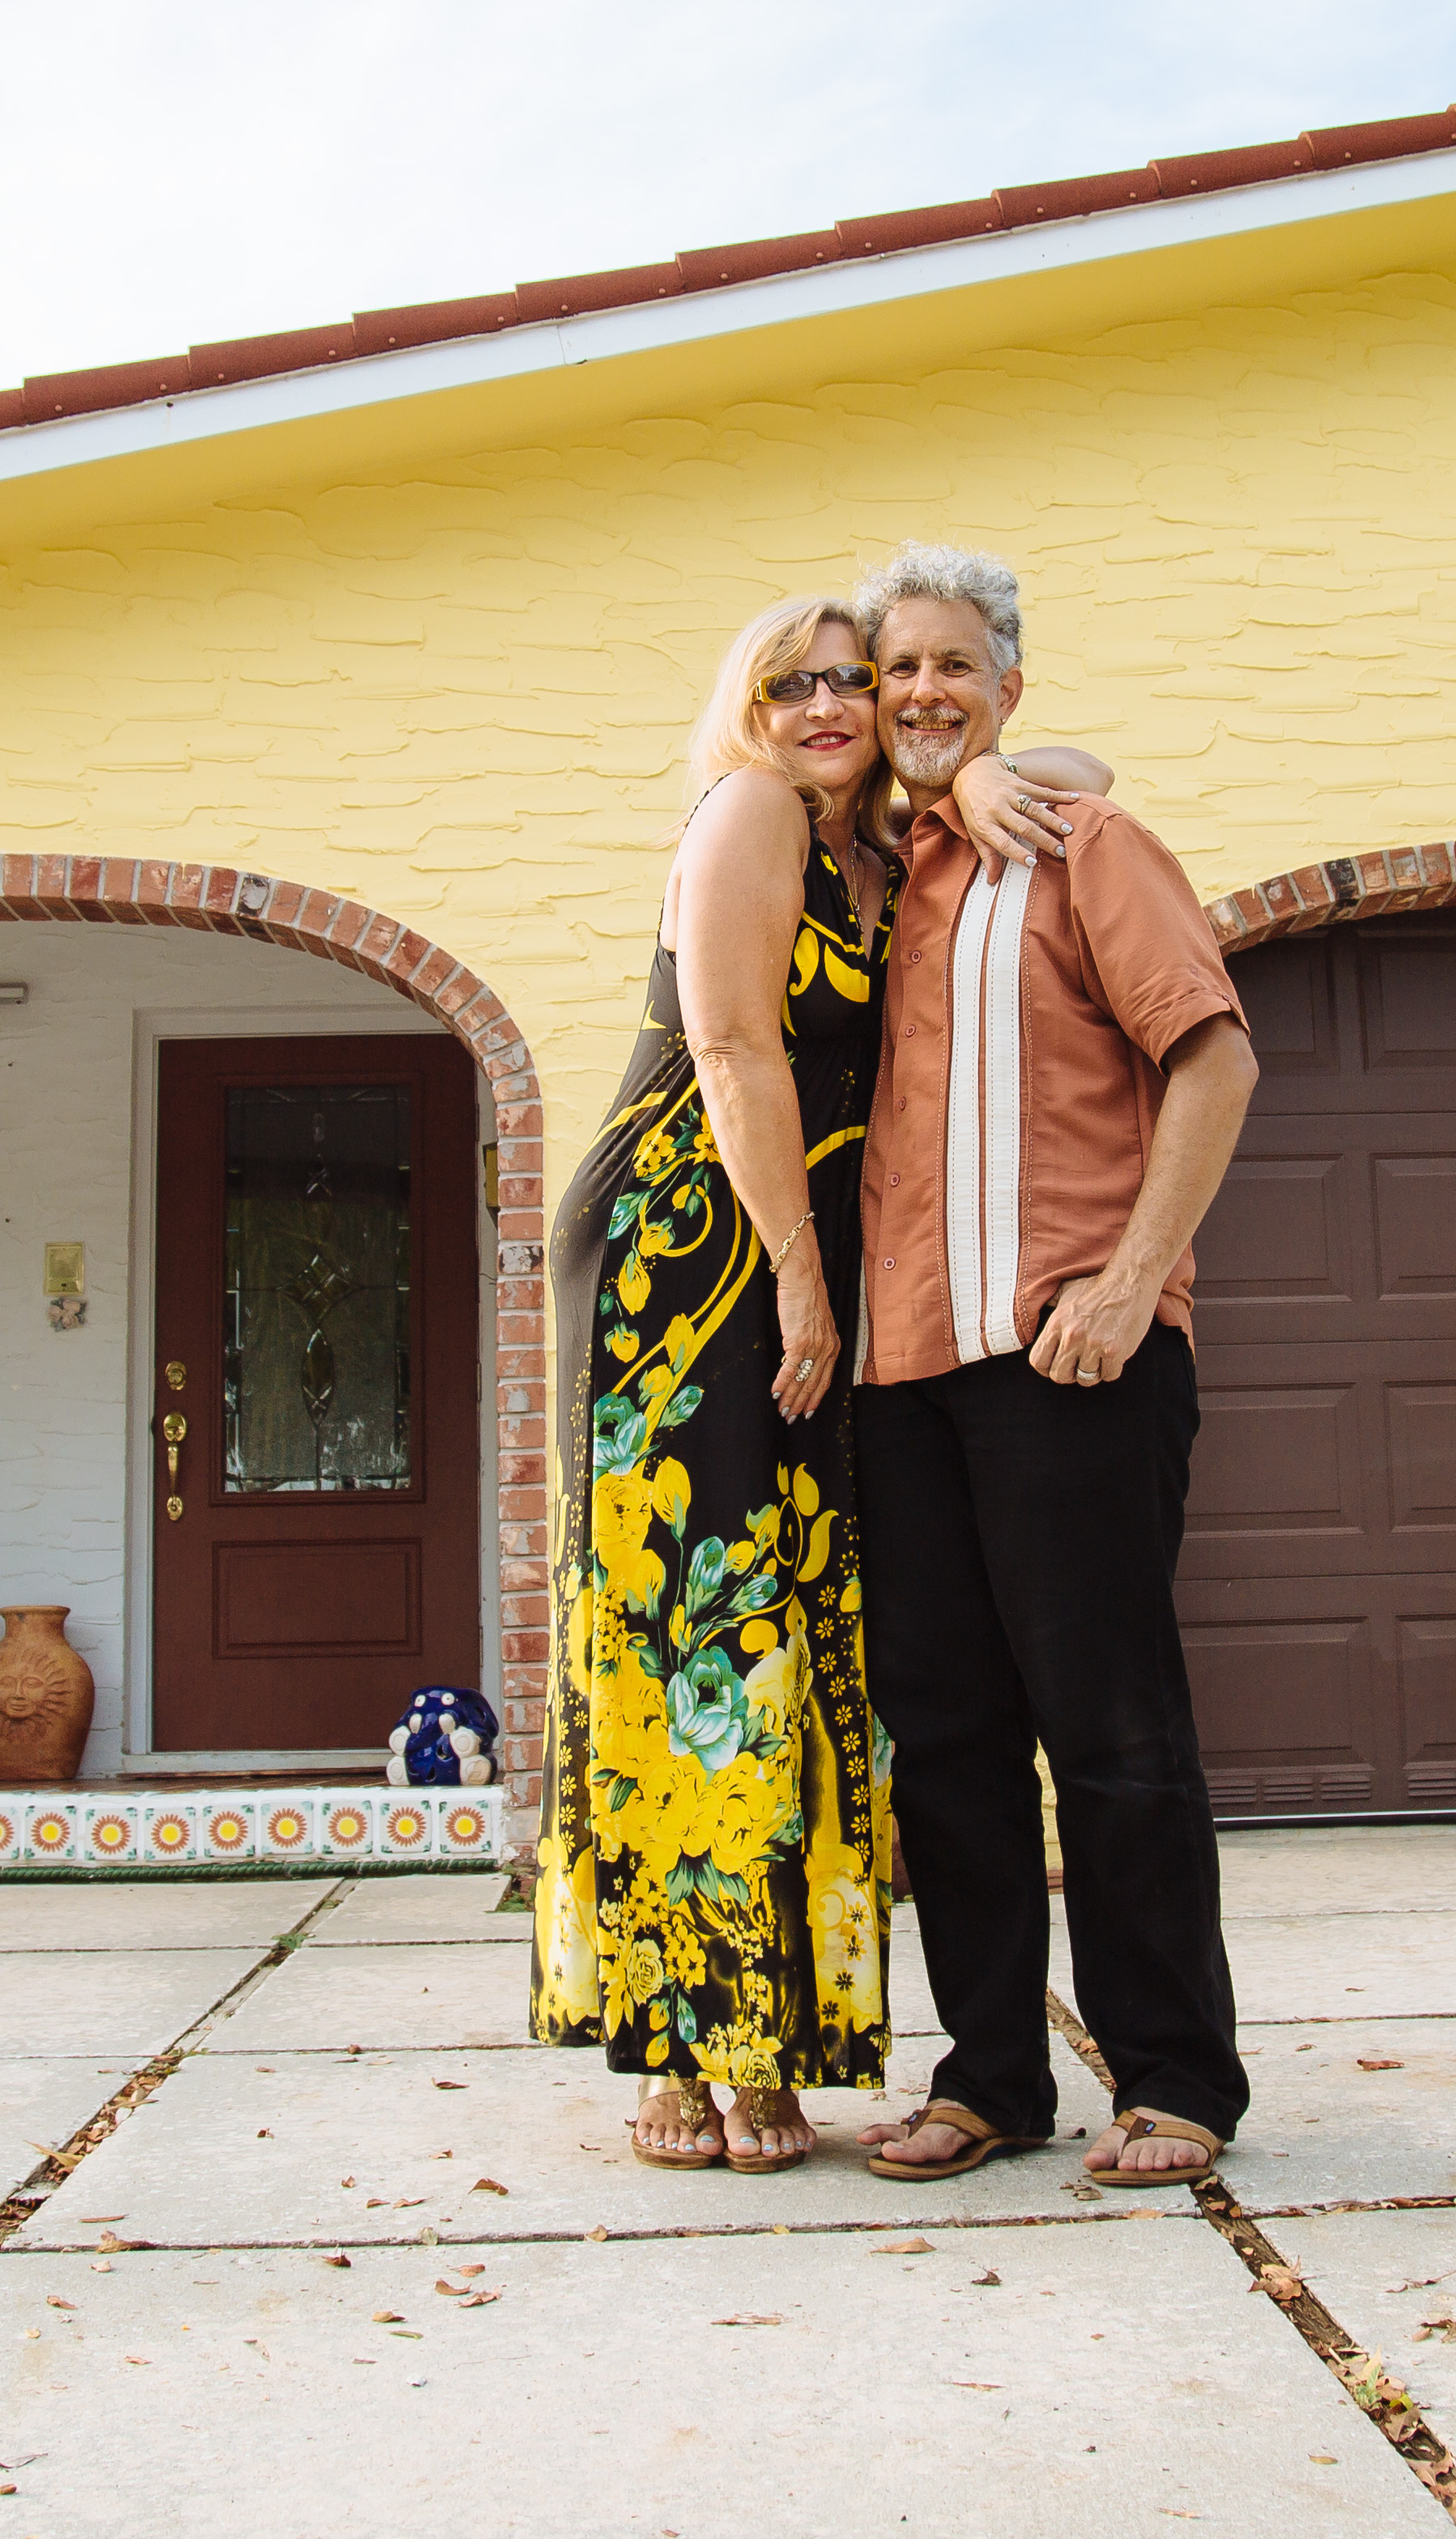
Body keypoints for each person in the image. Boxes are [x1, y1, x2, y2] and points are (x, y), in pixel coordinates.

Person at [530, 591, 1102, 2171]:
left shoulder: (874, 848)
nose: (834, 704)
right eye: (797, 683)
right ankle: (682, 2050)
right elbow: (729, 1045)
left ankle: (763, 2032)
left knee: (793, 1629)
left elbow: (1090, 769)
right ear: (751, 704)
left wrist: (974, 778)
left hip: (808, 1255)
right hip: (695, 1240)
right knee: (691, 1627)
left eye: (858, 680)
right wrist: (793, 1266)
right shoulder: (753, 811)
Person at [844, 543, 1262, 2189]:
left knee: (1108, 1724)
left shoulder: (1085, 843)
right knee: (945, 1734)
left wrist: (1134, 1276)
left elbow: (1213, 1060)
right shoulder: (880, 878)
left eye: (957, 666)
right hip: (909, 1372)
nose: (926, 694)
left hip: (1075, 1354)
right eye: (900, 672)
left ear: (1008, 684)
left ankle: (1175, 2079)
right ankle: (993, 2078)